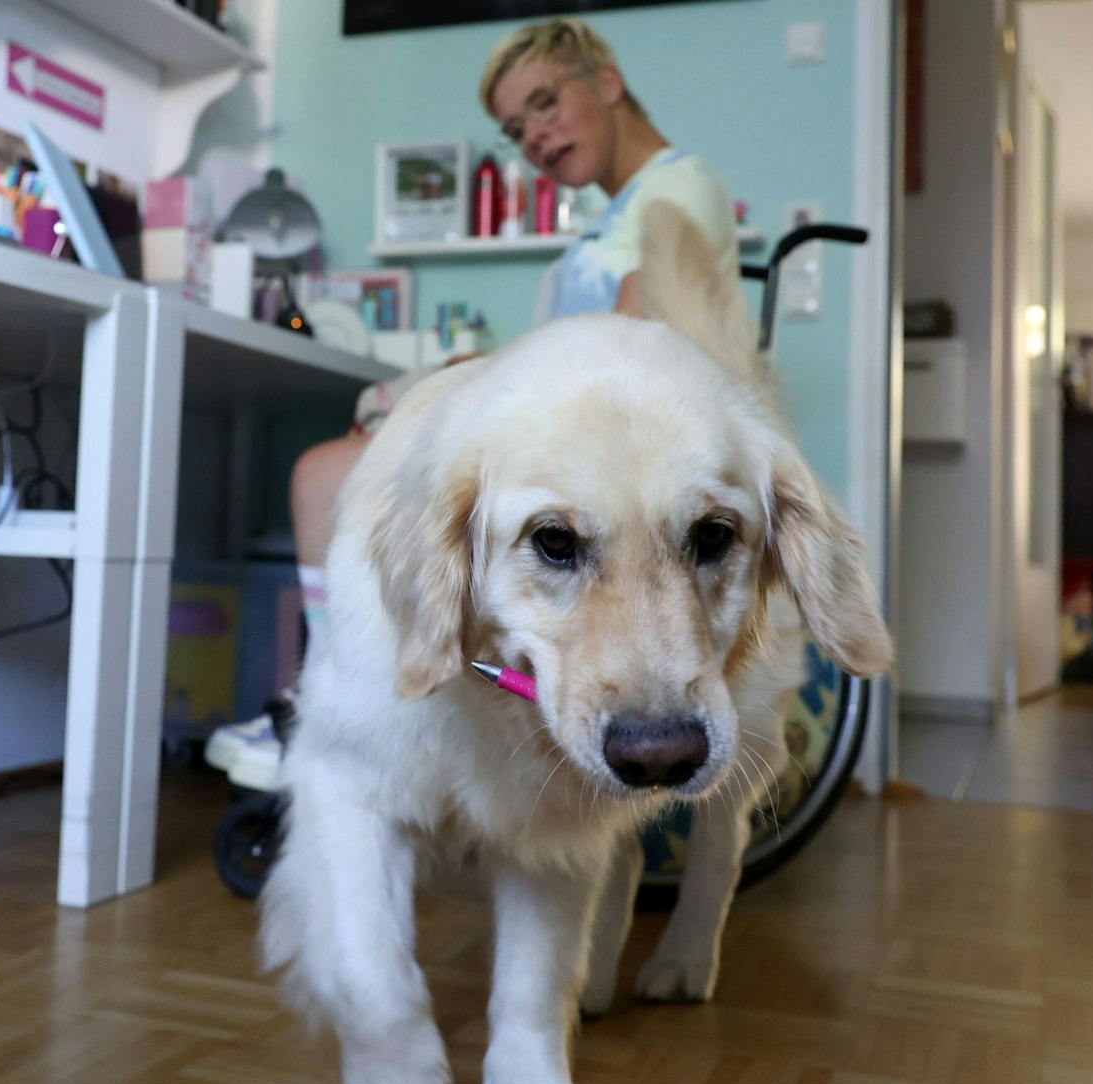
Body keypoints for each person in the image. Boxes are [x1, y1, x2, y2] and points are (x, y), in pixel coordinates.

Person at [208, 16, 741, 758]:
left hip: (620, 458)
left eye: (545, 104)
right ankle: (342, 691)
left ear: (608, 82)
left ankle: (336, 701)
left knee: (326, 472)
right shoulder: (601, 220)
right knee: (338, 460)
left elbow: (631, 357)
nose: (537, 140)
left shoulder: (676, 195)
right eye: (517, 131)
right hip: (564, 451)